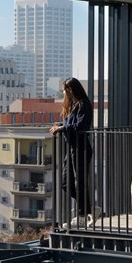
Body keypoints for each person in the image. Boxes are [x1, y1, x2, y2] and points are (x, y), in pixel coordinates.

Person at [50, 77, 94, 227]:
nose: (63, 94)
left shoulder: (83, 105)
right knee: (65, 183)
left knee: (79, 182)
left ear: (70, 90)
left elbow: (81, 125)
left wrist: (62, 128)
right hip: (72, 148)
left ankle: (82, 216)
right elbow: (72, 123)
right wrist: (61, 124)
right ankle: (91, 209)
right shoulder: (74, 106)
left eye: (64, 91)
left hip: (81, 148)